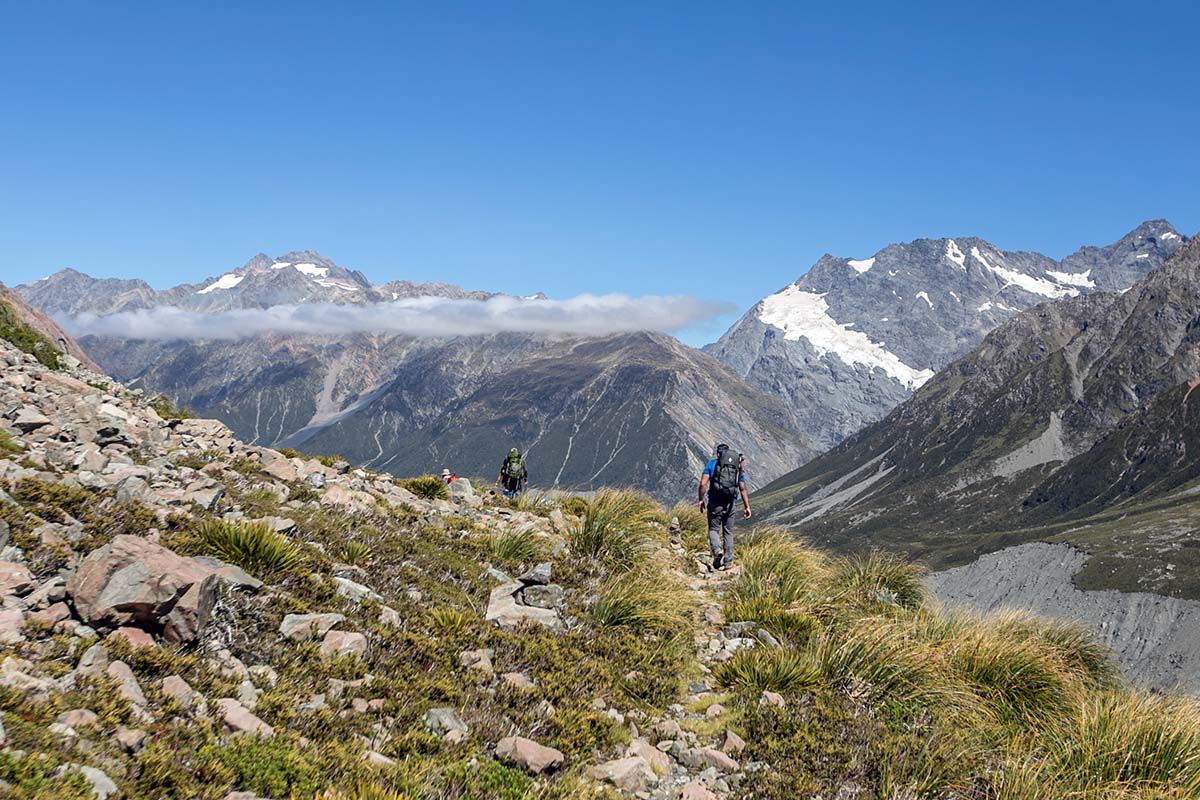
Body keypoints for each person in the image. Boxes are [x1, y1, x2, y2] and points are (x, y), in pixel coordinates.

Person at [698, 443, 751, 570]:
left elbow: (703, 484)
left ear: (718, 454)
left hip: (715, 503)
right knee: (728, 532)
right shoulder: (736, 468)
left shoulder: (711, 464)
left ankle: (716, 551)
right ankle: (728, 562)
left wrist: (700, 499)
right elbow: (742, 488)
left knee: (713, 529)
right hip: (730, 503)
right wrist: (747, 507)